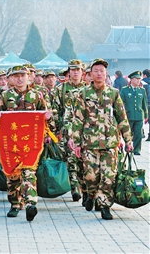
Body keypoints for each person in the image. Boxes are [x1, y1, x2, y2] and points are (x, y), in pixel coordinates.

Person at [68, 58, 133, 220]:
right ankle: (90, 195)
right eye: (96, 71)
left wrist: (128, 140)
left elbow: (122, 117)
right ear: (90, 74)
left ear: (106, 74)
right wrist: (74, 140)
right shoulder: (83, 94)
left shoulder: (113, 93)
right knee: (90, 177)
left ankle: (104, 205)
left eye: (102, 71)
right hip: (89, 144)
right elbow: (78, 119)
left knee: (108, 176)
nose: (99, 73)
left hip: (110, 143)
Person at [0, 65, 53, 221]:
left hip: (30, 142)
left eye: (23, 75)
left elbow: (47, 116)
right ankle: (15, 203)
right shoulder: (5, 96)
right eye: (16, 76)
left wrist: (48, 119)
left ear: (29, 77)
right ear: (11, 78)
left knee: (29, 171)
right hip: (11, 141)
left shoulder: (37, 95)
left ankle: (30, 204)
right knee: (12, 174)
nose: (20, 79)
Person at [52, 59, 86, 202]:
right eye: (73, 70)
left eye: (78, 70)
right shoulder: (61, 89)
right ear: (69, 72)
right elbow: (55, 111)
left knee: (85, 161)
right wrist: (56, 131)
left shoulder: (88, 89)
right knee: (71, 159)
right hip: (67, 131)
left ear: (82, 72)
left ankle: (86, 189)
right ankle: (75, 187)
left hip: (86, 132)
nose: (75, 72)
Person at [120, 71, 148, 155]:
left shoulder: (142, 90)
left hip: (139, 115)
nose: (138, 80)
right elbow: (121, 103)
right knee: (128, 133)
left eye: (139, 79)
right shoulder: (125, 90)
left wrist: (146, 115)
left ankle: (137, 150)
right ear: (131, 79)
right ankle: (128, 147)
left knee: (138, 133)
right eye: (136, 79)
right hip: (129, 115)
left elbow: (144, 103)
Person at [142, 69, 150, 141]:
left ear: (145, 75)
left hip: (146, 103)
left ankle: (142, 133)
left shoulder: (143, 82)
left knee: (141, 118)